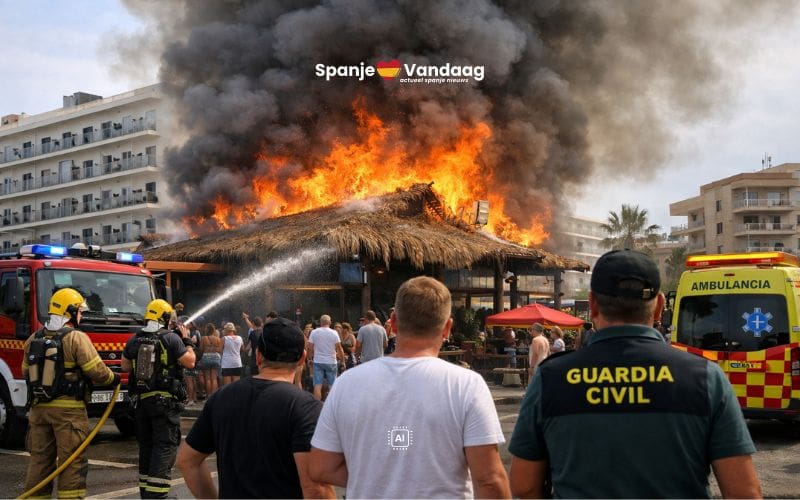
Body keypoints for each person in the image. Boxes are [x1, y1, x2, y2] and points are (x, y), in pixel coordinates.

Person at [509, 249, 762, 498]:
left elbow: (523, 485)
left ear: (593, 304)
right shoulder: (705, 377)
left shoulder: (551, 379)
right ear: (660, 305)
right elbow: (744, 492)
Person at [309, 276, 511, 498]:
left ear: (393, 323)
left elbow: (321, 467)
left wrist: (374, 476)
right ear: (447, 328)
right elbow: (489, 480)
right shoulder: (466, 385)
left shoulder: (346, 383)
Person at [176, 318, 335, 498]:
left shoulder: (221, 397)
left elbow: (188, 461)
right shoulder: (305, 407)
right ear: (302, 359)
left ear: (258, 356)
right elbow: (316, 488)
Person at [22, 288, 120, 499]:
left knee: (40, 461)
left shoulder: (33, 338)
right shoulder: (76, 338)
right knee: (71, 463)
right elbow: (96, 370)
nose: (82, 315)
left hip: (38, 411)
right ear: (71, 311)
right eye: (80, 311)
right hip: (69, 413)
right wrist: (114, 378)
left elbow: (24, 371)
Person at [121, 299, 195, 499]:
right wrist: (187, 341)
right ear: (164, 318)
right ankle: (158, 496)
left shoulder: (134, 339)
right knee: (165, 446)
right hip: (164, 404)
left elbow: (125, 367)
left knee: (146, 446)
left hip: (142, 403)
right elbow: (190, 362)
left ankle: (147, 494)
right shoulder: (171, 338)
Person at [308, 315, 344, 400]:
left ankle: (317, 405)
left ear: (320, 322)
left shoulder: (314, 332)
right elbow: (339, 348)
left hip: (318, 361)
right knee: (332, 385)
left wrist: (309, 359)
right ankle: (331, 406)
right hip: (331, 361)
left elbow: (309, 347)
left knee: (317, 385)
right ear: (330, 322)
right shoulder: (334, 333)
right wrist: (342, 361)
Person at [197, 323, 222, 397]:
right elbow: (220, 350)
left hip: (206, 357)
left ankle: (208, 396)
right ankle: (214, 396)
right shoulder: (218, 339)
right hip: (216, 357)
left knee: (207, 378)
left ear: (207, 329)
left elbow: (201, 349)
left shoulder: (204, 338)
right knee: (214, 378)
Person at [242, 312, 264, 377]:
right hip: (263, 359)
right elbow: (252, 327)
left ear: (254, 323)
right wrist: (246, 319)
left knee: (254, 376)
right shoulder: (264, 332)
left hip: (255, 358)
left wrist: (243, 349)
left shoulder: (253, 334)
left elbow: (248, 347)